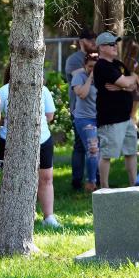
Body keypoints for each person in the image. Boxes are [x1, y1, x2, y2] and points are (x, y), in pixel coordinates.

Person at [93, 32, 139, 189]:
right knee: (107, 154)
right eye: (111, 44)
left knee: (131, 151)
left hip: (126, 118)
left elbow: (133, 81)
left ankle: (134, 184)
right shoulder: (101, 66)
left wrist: (124, 85)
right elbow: (127, 81)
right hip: (111, 119)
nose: (115, 47)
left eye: (115, 44)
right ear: (102, 47)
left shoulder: (117, 64)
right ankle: (104, 188)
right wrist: (125, 83)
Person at [64, 28, 96, 192]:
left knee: (95, 146)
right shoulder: (74, 59)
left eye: (94, 39)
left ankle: (95, 178)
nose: (93, 43)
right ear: (81, 41)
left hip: (95, 111)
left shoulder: (97, 58)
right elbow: (82, 77)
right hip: (78, 109)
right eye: (90, 39)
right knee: (79, 146)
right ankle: (77, 180)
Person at [71, 53, 99, 192]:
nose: (92, 69)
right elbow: (82, 94)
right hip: (85, 118)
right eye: (90, 67)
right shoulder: (79, 77)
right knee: (92, 148)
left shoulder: (104, 76)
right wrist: (91, 78)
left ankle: (99, 180)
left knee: (100, 150)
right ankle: (90, 182)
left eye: (95, 67)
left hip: (101, 118)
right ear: (84, 66)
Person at [36, 75, 60, 228]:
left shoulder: (43, 90)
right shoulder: (4, 91)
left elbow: (50, 115)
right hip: (15, 143)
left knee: (46, 179)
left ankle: (48, 217)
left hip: (43, 139)